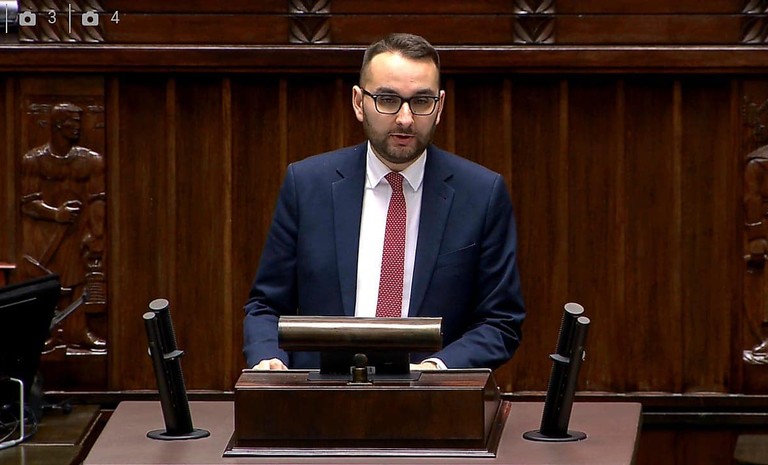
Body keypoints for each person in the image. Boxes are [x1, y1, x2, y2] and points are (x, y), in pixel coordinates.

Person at [243, 33, 525, 371]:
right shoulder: (307, 185)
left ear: (440, 107)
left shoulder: (481, 193)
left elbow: (500, 321)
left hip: (432, 397)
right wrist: (269, 359)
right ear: (358, 102)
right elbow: (266, 306)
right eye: (388, 100)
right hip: (321, 393)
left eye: (421, 101)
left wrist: (436, 369)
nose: (405, 118)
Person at [19, 102, 107, 351]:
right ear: (58, 125)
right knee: (46, 284)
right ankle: (43, 332)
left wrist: (97, 234)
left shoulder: (91, 160)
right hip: (43, 234)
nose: (78, 127)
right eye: (72, 122)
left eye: (79, 122)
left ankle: (77, 332)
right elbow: (27, 203)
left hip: (77, 231)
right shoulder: (34, 160)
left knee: (78, 282)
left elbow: (98, 199)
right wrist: (55, 213)